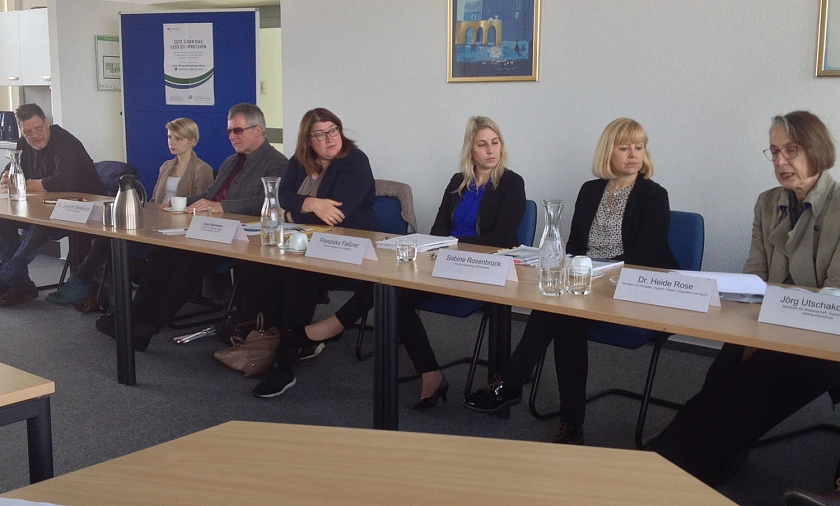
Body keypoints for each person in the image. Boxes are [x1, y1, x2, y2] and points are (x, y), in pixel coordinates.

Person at [646, 111, 840, 486]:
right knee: (721, 376)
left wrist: (769, 331)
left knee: (748, 387)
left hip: (822, 335)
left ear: (816, 150)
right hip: (766, 321)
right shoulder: (767, 203)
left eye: (791, 150)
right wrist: (751, 331)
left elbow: (833, 296)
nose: (780, 161)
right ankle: (698, 458)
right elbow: (754, 276)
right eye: (774, 151)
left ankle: (669, 466)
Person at [284, 116, 526, 408]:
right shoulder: (458, 181)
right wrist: (440, 247)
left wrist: (452, 245)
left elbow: (503, 237)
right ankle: (430, 373)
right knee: (391, 289)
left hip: (484, 268)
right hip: (446, 262)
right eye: (482, 144)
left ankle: (335, 325)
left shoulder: (512, 183)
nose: (490, 150)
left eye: (495, 143)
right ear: (470, 150)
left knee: (392, 292)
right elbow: (438, 230)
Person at [462, 117, 678, 444]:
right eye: (624, 148)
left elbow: (647, 254)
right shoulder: (590, 191)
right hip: (586, 284)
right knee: (564, 314)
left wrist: (592, 272)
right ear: (608, 151)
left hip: (632, 284)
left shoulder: (653, 195)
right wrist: (572, 267)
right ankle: (568, 422)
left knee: (563, 313)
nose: (634, 154)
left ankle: (512, 382)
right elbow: (576, 244)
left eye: (639, 147)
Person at [95, 103, 288, 351]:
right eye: (229, 131)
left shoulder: (277, 163)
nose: (231, 136)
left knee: (189, 260)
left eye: (238, 131)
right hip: (209, 229)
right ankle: (133, 321)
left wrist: (222, 206)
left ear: (258, 130)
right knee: (162, 252)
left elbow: (267, 202)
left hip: (241, 237)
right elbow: (208, 195)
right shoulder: (231, 162)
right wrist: (181, 202)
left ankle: (147, 327)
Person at [243, 107, 379, 398]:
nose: (330, 139)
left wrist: (291, 214)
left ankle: (284, 361)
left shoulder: (355, 160)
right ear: (308, 140)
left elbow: (338, 213)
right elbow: (282, 195)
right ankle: (289, 338)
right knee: (262, 267)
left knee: (299, 274)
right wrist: (313, 204)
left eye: (334, 131)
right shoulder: (299, 160)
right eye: (320, 135)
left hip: (353, 243)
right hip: (306, 241)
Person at [45, 117, 214, 306]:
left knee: (113, 242)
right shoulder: (166, 166)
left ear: (192, 141)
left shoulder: (202, 169)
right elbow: (154, 201)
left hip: (179, 229)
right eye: (169, 137)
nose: (172, 142)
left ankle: (93, 288)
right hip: (156, 223)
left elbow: (200, 207)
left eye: (178, 138)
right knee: (111, 237)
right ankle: (105, 294)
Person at [0, 103, 105, 306]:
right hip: (48, 205)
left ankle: (8, 274)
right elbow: (11, 170)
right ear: (21, 130)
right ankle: (20, 283)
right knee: (3, 221)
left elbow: (61, 183)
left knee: (42, 223)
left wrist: (22, 182)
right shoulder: (24, 143)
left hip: (86, 209)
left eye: (38, 128)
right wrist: (7, 177)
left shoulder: (64, 141)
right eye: (28, 132)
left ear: (46, 122)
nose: (34, 135)